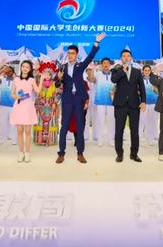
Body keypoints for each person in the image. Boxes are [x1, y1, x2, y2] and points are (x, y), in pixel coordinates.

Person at [55, 33, 105, 164]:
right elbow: (57, 85)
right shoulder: (62, 67)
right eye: (68, 53)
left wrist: (96, 42)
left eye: (72, 53)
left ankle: (80, 153)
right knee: (64, 127)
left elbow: (90, 56)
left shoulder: (80, 66)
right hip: (67, 100)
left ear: (76, 54)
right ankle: (61, 153)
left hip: (79, 100)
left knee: (80, 126)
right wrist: (59, 78)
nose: (70, 55)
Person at [111, 48, 146, 163]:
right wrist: (123, 70)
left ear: (131, 58)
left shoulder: (137, 71)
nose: (126, 58)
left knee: (134, 131)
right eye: (124, 56)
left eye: (128, 56)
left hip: (134, 104)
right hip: (120, 105)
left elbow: (142, 87)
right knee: (119, 130)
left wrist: (143, 101)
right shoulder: (116, 69)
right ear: (121, 58)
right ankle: (119, 154)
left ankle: (134, 154)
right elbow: (113, 80)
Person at [11, 60, 43, 162]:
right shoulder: (16, 79)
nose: (25, 68)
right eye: (23, 66)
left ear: (30, 69)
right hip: (19, 106)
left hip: (28, 107)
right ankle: (21, 153)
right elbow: (12, 94)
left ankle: (28, 153)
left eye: (27, 67)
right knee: (19, 131)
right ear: (21, 67)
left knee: (28, 131)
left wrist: (41, 79)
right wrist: (17, 97)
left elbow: (37, 90)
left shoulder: (31, 80)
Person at [34, 61, 60, 146]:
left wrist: (54, 101)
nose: (47, 75)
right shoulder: (39, 82)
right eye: (45, 73)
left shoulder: (54, 83)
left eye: (49, 74)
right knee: (40, 122)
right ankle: (40, 140)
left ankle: (50, 140)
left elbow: (57, 94)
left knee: (51, 122)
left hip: (51, 106)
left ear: (51, 75)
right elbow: (36, 92)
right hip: (41, 106)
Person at [91, 57, 115, 147]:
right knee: (100, 121)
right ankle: (100, 139)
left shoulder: (114, 74)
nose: (105, 65)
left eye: (107, 63)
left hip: (111, 101)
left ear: (110, 64)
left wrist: (113, 91)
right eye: (104, 63)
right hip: (100, 101)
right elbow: (91, 80)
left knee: (111, 121)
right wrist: (91, 70)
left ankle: (111, 139)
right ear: (101, 65)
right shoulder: (97, 74)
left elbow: (117, 85)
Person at [0, 65, 17, 145]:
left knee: (13, 123)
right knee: (2, 122)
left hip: (13, 105)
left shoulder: (16, 81)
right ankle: (2, 138)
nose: (8, 72)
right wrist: (2, 71)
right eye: (7, 71)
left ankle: (13, 138)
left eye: (10, 71)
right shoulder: (2, 79)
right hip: (2, 105)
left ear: (13, 72)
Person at [140, 65, 159, 146]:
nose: (147, 72)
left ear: (150, 71)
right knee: (141, 121)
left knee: (152, 121)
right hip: (143, 103)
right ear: (143, 71)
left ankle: (150, 138)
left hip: (153, 102)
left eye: (148, 70)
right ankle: (139, 137)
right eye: (145, 70)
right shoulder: (139, 80)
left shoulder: (154, 80)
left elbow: (158, 91)